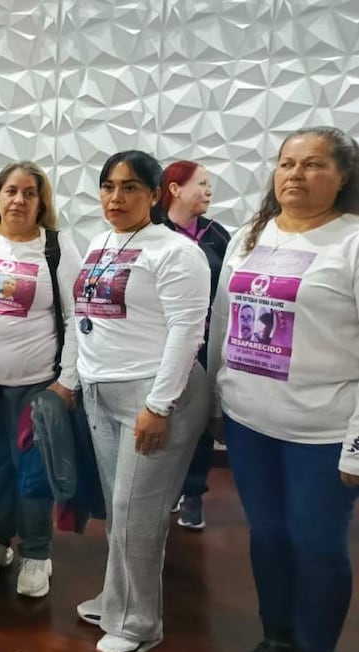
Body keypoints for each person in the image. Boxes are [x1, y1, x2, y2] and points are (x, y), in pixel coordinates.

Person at [208, 127, 359, 652]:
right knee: (268, 536)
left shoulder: (351, 241)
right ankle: (276, 640)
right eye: (287, 163)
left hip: (324, 431)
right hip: (250, 423)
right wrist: (215, 403)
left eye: (314, 164)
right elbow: (222, 324)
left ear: (342, 177)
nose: (296, 174)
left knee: (316, 545)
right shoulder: (253, 233)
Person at [73, 151, 210, 652]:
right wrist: (77, 377)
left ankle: (139, 623)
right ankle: (117, 600)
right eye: (108, 186)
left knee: (137, 514)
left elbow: (186, 332)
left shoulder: (175, 251)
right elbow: (85, 317)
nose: (116, 197)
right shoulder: (100, 242)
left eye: (130, 187)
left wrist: (160, 404)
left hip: (155, 394)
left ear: (156, 194)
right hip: (102, 389)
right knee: (120, 509)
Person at [0, 162, 81, 597]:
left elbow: (75, 315)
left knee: (32, 472)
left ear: (41, 201)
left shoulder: (56, 246)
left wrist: (67, 380)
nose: (18, 200)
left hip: (37, 383)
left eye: (29, 193)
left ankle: (36, 552)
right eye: (10, 191)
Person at [159, 159, 232, 531]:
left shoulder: (218, 235)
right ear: (174, 188)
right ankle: (166, 489)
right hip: (157, 343)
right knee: (163, 415)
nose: (208, 191)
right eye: (201, 184)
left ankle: (193, 493)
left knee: (199, 420)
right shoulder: (152, 232)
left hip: (205, 344)